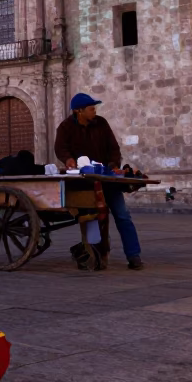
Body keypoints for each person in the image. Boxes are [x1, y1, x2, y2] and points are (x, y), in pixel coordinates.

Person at [54, 92, 144, 271]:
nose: (94, 111)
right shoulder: (65, 128)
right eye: (90, 109)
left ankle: (134, 256)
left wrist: (113, 165)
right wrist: (68, 160)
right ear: (78, 111)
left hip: (107, 179)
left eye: (94, 108)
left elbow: (114, 148)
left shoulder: (101, 123)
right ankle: (97, 254)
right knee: (92, 218)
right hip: (84, 183)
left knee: (122, 215)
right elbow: (61, 148)